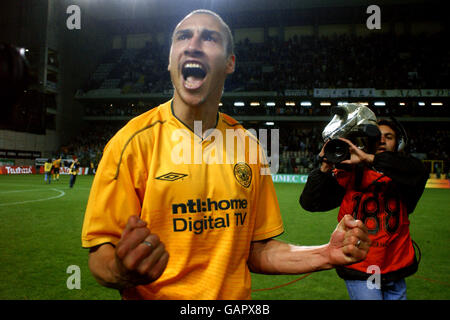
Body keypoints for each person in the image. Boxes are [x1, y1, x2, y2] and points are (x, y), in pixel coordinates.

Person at [81, 9, 370, 300]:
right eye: (183, 36)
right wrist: (121, 269)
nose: (193, 45)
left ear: (230, 62)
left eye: (209, 38)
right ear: (170, 60)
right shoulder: (130, 143)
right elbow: (100, 253)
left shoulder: (249, 146)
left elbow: (258, 252)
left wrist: (327, 253)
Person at [300, 119, 428, 300]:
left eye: (389, 137)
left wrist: (370, 158)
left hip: (395, 266)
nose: (382, 140)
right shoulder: (350, 173)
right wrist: (325, 167)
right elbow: (310, 202)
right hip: (360, 266)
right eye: (377, 137)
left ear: (399, 143)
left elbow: (418, 171)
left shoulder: (406, 174)